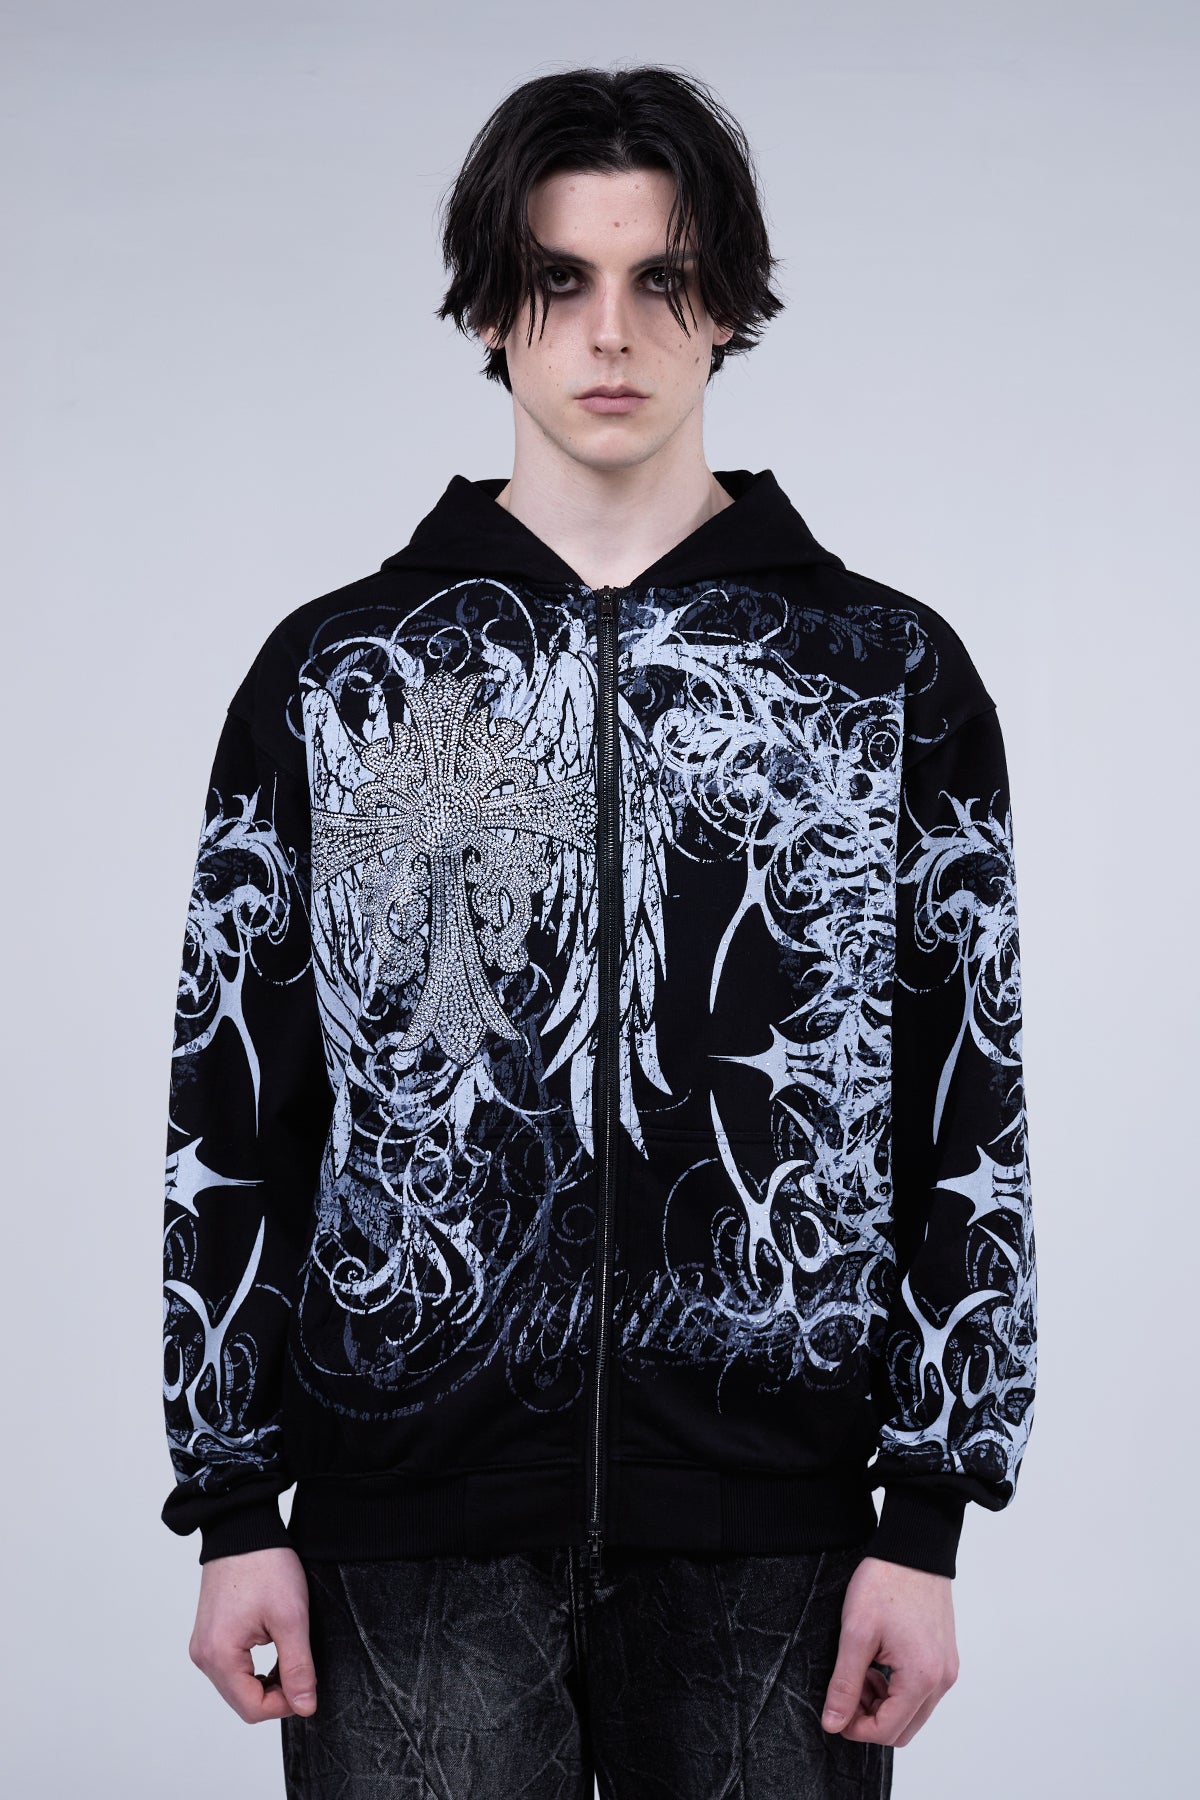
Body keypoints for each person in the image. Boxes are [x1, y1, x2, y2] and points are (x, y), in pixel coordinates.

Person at [161, 63, 1037, 1798]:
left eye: (663, 278)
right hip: (405, 1540)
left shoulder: (885, 674)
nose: (612, 331)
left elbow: (971, 1109)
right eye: (558, 279)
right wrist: (234, 1502)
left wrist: (929, 1514)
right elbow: (233, 1104)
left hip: (778, 1543)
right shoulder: (337, 676)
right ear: (494, 308)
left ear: (730, 305)